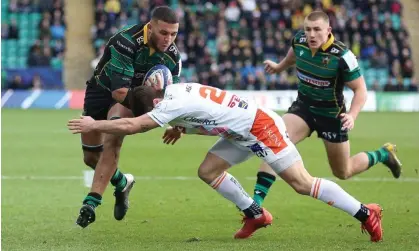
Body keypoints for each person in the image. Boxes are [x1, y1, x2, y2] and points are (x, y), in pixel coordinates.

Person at [68, 83, 383, 242]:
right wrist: (182, 127)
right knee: (208, 171)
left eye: (149, 113)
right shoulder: (174, 92)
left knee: (302, 183)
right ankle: (254, 213)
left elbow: (132, 126)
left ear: (154, 103)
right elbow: (204, 110)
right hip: (242, 129)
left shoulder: (163, 105)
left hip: (261, 127)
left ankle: (366, 212)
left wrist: (93, 125)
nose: (150, 119)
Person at [252, 10, 402, 206]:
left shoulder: (343, 56)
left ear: (328, 30)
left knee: (343, 171)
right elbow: (293, 56)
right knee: (275, 143)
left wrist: (352, 116)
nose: (311, 35)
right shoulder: (299, 41)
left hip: (331, 116)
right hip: (303, 109)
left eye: (317, 30)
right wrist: (279, 67)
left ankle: (383, 154)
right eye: (308, 30)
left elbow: (361, 90)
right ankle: (255, 206)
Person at [79, 5, 181, 224]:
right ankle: (123, 182)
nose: (168, 39)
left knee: (115, 134)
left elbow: (176, 96)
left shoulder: (173, 58)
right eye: (163, 33)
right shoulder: (125, 41)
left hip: (131, 97)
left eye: (174, 34)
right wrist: (150, 107)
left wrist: (176, 123)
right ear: (150, 27)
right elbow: (118, 92)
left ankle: (91, 202)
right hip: (103, 91)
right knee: (91, 158)